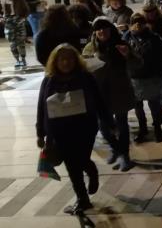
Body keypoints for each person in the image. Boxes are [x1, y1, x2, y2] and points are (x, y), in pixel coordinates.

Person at [36, 44, 113, 214]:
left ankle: (91, 170)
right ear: (55, 61)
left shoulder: (85, 78)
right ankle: (83, 200)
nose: (66, 62)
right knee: (72, 166)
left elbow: (100, 101)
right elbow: (42, 107)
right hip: (59, 132)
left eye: (70, 58)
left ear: (76, 60)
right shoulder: (49, 80)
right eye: (62, 59)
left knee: (81, 159)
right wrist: (40, 132)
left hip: (84, 128)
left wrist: (108, 122)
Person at [82, 17, 137, 172]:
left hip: (119, 90)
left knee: (122, 124)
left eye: (105, 28)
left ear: (111, 29)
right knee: (103, 127)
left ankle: (124, 155)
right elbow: (84, 67)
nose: (101, 31)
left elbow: (138, 64)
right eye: (98, 29)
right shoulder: (89, 48)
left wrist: (128, 55)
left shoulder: (122, 44)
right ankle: (116, 149)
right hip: (99, 92)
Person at [124, 13, 162, 143]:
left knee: (155, 106)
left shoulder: (154, 38)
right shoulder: (126, 38)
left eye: (140, 21)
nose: (137, 24)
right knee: (137, 106)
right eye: (134, 21)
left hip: (151, 77)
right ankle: (143, 129)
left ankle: (157, 129)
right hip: (134, 78)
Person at [1, 0, 29, 68]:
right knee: (12, 44)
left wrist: (23, 18)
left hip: (18, 21)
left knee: (21, 42)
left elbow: (26, 9)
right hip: (8, 22)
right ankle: (17, 60)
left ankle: (23, 59)